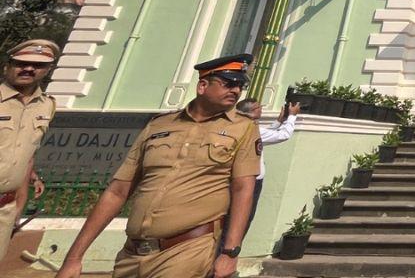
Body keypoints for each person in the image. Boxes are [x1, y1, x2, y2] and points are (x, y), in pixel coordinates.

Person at [55, 53, 259, 278]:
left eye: (240, 86)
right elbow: (117, 191)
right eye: (229, 84)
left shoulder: (243, 128)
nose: (236, 91)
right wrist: (74, 257)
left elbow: (243, 189)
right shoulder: (159, 125)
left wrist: (230, 253)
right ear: (202, 85)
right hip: (132, 253)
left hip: (188, 249)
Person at [1, 39, 59, 262]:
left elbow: (26, 157)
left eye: (37, 65)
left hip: (5, 207)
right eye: (21, 63)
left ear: (47, 70)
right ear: (8, 65)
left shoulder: (46, 106)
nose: (28, 69)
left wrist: (18, 206)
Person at [231, 99, 299, 232]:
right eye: (259, 108)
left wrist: (279, 121)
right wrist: (292, 116)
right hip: (251, 180)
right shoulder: (251, 129)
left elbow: (264, 135)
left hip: (240, 178)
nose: (261, 110)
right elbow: (283, 135)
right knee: (243, 217)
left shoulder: (242, 127)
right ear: (253, 111)